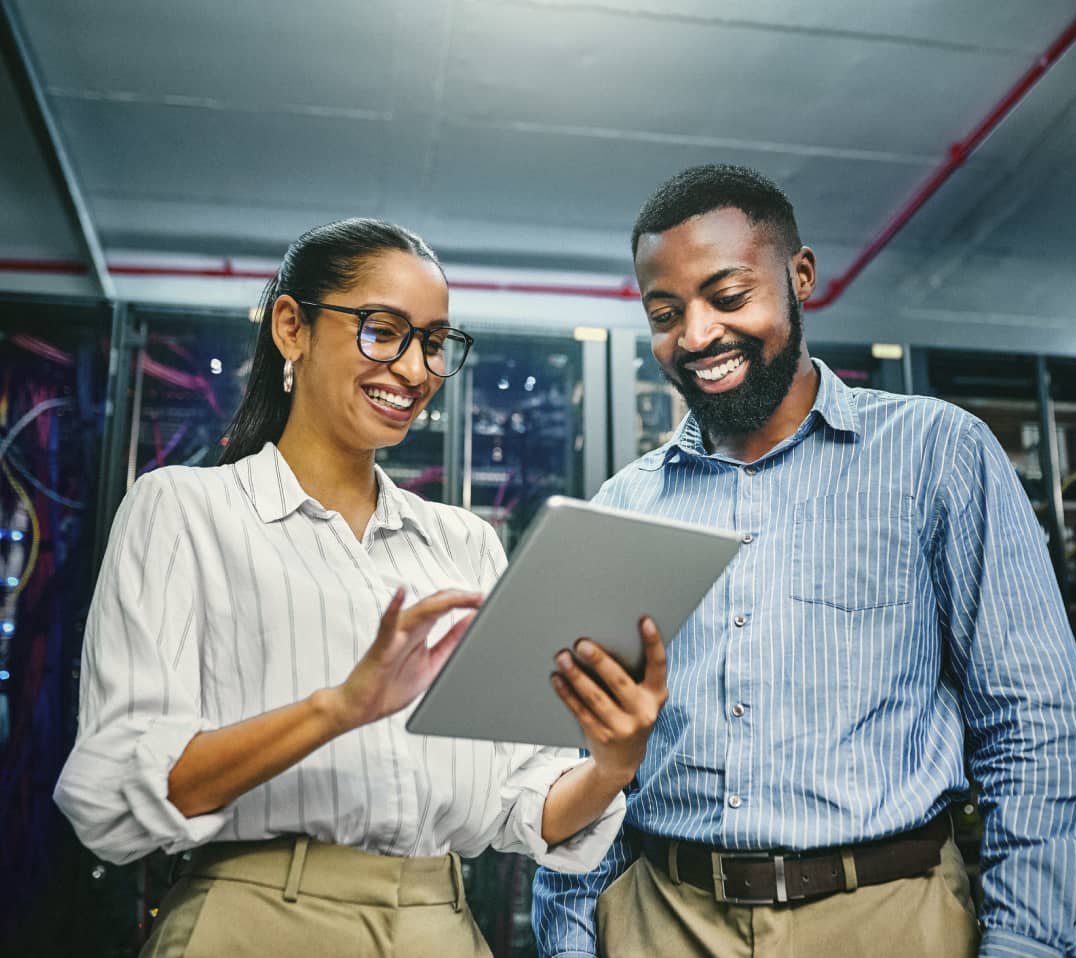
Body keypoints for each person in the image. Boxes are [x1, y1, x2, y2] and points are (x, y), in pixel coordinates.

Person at [532, 166, 1076, 958]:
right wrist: (568, 944)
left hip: (887, 919)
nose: (696, 336)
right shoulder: (624, 505)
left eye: (728, 297)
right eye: (666, 314)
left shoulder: (936, 454)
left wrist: (1028, 946)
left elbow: (1038, 736)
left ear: (800, 276)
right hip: (661, 920)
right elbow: (583, 764)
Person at [54, 218, 668, 957]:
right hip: (256, 922)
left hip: (441, 925)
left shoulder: (465, 544)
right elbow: (117, 793)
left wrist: (613, 761)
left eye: (435, 344)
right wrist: (338, 709)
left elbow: (525, 805)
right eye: (384, 331)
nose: (414, 370)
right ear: (292, 327)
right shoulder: (185, 512)